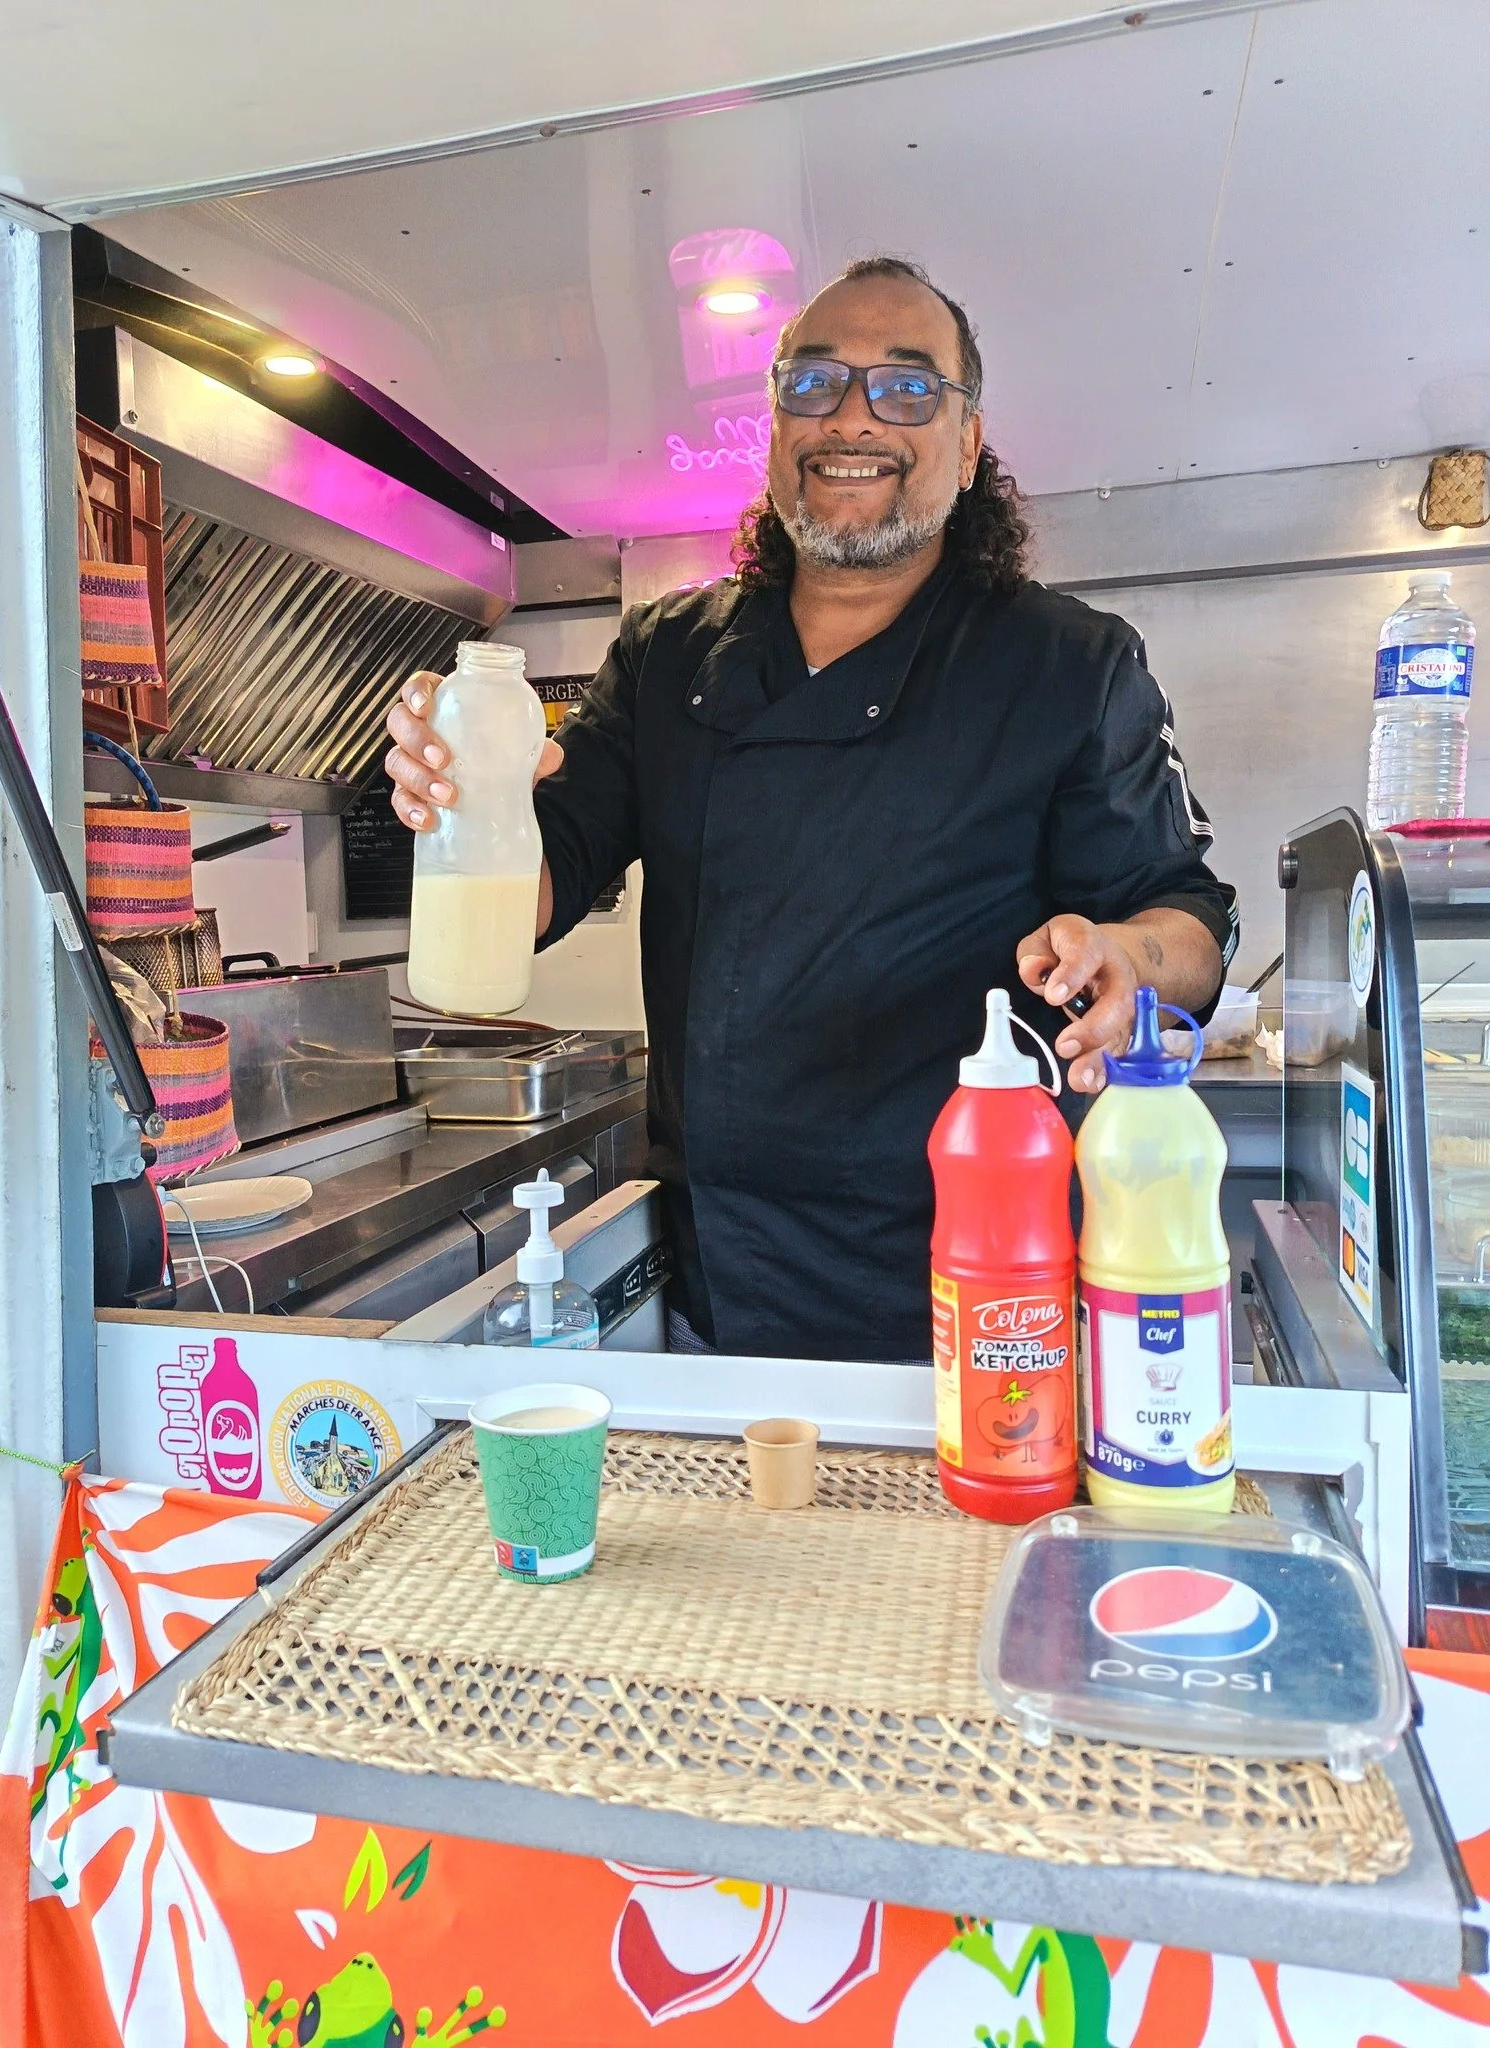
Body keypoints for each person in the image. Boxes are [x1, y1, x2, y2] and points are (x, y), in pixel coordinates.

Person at [385, 255, 1237, 1364]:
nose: (855, 417)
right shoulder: (667, 654)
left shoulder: (1069, 665)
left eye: (908, 387)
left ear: (970, 443)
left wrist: (1129, 955)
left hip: (984, 1283)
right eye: (815, 382)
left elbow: (1190, 920)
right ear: (776, 423)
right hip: (723, 1284)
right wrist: (465, 794)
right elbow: (549, 868)